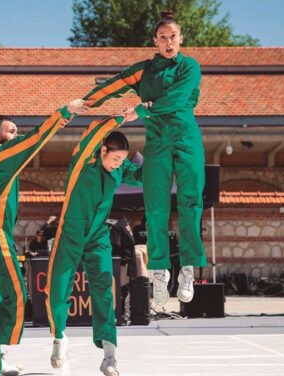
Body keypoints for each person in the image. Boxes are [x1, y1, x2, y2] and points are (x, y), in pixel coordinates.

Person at [82, 10, 206, 306]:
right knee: (155, 208)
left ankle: (187, 269)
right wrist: (87, 102)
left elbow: (178, 97)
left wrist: (142, 109)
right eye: (162, 37)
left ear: (180, 39)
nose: (168, 41)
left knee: (190, 201)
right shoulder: (144, 70)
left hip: (186, 136)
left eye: (172, 36)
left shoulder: (190, 66)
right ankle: (160, 271)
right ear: (155, 41)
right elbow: (115, 84)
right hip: (158, 141)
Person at [0, 99, 88, 375]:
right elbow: (34, 141)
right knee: (16, 293)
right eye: (12, 130)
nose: (17, 135)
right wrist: (64, 113)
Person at [45, 124, 142, 376]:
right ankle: (59, 339)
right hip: (70, 235)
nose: (118, 163)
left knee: (104, 292)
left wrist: (170, 162)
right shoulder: (83, 161)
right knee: (57, 290)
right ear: (102, 151)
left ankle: (109, 356)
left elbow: (144, 175)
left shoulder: (119, 170)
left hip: (98, 236)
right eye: (115, 158)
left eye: (122, 160)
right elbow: (94, 132)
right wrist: (121, 117)